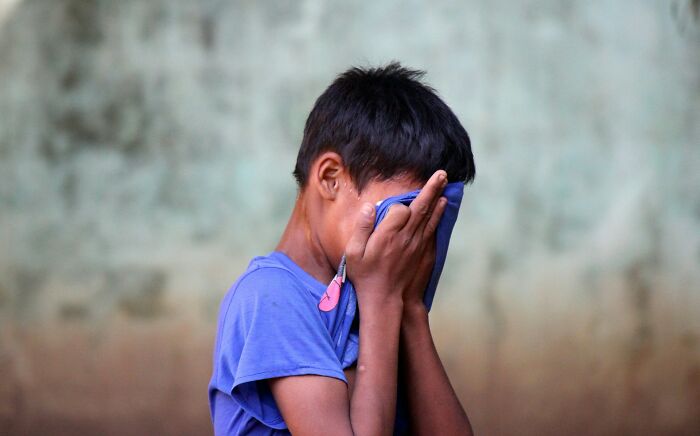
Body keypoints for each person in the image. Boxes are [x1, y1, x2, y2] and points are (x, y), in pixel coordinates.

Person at [208, 62, 476, 435]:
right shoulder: (272, 297)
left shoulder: (369, 296)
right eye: (401, 215)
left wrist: (411, 309)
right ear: (331, 179)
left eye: (427, 221)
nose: (409, 242)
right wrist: (382, 300)